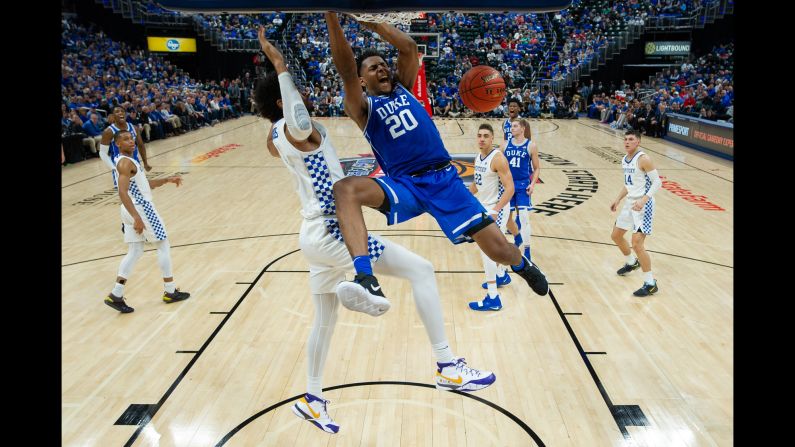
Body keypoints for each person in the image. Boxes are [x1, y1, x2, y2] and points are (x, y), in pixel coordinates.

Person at [253, 27, 495, 435]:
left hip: (312, 235)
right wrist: (280, 66)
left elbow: (291, 124)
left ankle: (313, 399)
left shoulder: (275, 137)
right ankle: (447, 364)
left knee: (323, 323)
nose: (306, 98)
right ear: (283, 100)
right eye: (295, 94)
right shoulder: (294, 128)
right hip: (332, 232)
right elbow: (294, 115)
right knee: (422, 271)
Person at [324, 12, 548, 309]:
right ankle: (366, 278)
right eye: (373, 68)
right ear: (362, 80)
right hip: (406, 184)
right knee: (345, 189)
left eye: (383, 65)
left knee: (498, 250)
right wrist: (331, 14)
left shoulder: (401, 86)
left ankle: (523, 266)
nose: (382, 70)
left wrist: (371, 23)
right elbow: (346, 73)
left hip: (445, 181)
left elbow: (409, 49)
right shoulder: (362, 107)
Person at [104, 130, 190, 313]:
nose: (131, 141)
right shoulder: (126, 163)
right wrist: (136, 217)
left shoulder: (128, 161)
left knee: (135, 250)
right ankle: (170, 291)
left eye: (131, 138)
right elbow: (122, 192)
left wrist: (167, 179)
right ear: (117, 144)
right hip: (141, 209)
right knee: (163, 245)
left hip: (129, 209)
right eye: (125, 139)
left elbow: (144, 184)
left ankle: (116, 294)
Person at [610, 130, 663, 297]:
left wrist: (644, 200)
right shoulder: (625, 160)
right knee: (616, 236)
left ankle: (650, 283)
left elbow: (657, 182)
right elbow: (629, 184)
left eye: (631, 139)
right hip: (630, 203)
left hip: (644, 205)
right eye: (625, 139)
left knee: (637, 244)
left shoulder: (643, 159)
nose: (627, 142)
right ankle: (632, 262)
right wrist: (617, 199)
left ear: (638, 142)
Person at [468, 123, 514, 311]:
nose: (482, 139)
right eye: (479, 135)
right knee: (495, 249)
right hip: (485, 207)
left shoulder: (498, 159)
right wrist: (464, 197)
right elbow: (478, 184)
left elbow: (510, 189)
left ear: (492, 138)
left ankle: (493, 298)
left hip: (498, 208)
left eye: (486, 136)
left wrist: (496, 210)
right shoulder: (479, 157)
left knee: (487, 250)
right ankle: (502, 273)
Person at [503, 119, 540, 263]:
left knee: (523, 217)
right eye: (511, 126)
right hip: (508, 185)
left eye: (515, 126)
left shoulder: (530, 145)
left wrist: (533, 184)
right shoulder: (505, 145)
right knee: (506, 218)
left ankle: (527, 250)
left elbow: (536, 168)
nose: (512, 128)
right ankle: (517, 237)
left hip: (523, 185)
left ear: (523, 128)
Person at [99, 107, 152, 187]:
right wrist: (113, 168)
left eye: (122, 111)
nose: (120, 113)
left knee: (144, 193)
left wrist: (145, 163)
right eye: (117, 111)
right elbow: (102, 153)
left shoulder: (134, 128)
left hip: (136, 165)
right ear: (113, 116)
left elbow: (141, 145)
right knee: (126, 195)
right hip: (121, 168)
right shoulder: (109, 131)